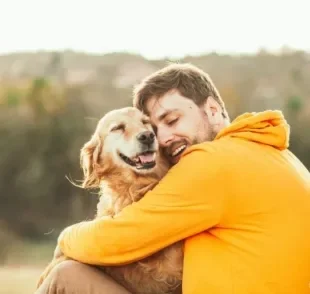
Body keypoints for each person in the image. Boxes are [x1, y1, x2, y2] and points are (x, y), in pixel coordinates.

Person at [36, 63, 310, 294]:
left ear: (213, 110)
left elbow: (119, 238)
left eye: (173, 120)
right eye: (156, 128)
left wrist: (66, 237)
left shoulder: (212, 161)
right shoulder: (274, 153)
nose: (162, 138)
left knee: (65, 276)